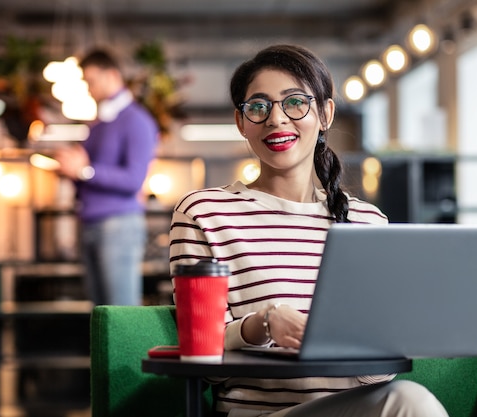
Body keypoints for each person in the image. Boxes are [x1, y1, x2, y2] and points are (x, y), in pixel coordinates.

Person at [169, 44, 449, 417]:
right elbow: (201, 349)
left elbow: (378, 375)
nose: (276, 119)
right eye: (258, 106)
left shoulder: (368, 222)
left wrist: (394, 337)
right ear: (241, 122)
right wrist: (264, 322)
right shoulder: (205, 212)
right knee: (410, 402)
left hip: (358, 407)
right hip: (261, 413)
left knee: (406, 398)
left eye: (295, 102)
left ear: (325, 113)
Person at [55, 48, 159, 306]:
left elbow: (134, 180)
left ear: (112, 75)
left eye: (91, 81)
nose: (88, 88)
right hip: (90, 222)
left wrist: (84, 170)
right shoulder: (97, 125)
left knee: (120, 313)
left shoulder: (137, 121)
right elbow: (87, 173)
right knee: (100, 314)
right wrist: (71, 169)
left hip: (119, 224)